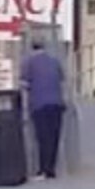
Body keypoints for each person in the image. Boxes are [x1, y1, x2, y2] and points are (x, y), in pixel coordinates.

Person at [22, 39, 68, 179]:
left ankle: (43, 169)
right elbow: (62, 80)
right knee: (54, 136)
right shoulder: (54, 61)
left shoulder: (29, 63)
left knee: (42, 137)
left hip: (39, 104)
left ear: (32, 49)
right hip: (56, 103)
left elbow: (24, 83)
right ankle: (51, 169)